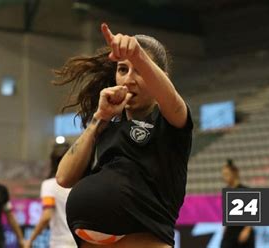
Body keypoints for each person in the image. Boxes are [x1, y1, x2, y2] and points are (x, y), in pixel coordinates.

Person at [53, 23, 193, 248]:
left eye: (138, 69)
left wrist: (138, 54)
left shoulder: (170, 120)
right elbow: (63, 177)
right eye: (122, 69)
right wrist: (99, 118)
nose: (128, 79)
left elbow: (172, 100)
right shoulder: (105, 126)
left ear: (161, 77)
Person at [25, 143, 77, 248]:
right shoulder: (81, 183)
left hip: (61, 243)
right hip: (81, 242)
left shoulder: (49, 185)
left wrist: (30, 239)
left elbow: (47, 215)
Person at [220, 159, 255, 248]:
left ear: (234, 174)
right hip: (230, 232)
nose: (224, 177)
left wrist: (247, 230)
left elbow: (253, 214)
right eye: (223, 175)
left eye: (226, 174)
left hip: (242, 230)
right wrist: (225, 228)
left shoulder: (245, 190)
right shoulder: (227, 191)